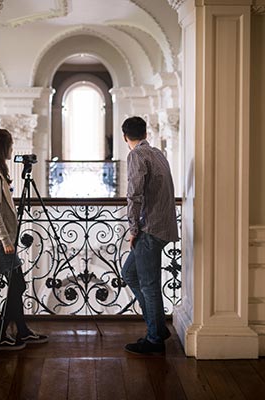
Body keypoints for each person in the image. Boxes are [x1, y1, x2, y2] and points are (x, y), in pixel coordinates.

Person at [0, 128, 48, 351]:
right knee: (18, 284)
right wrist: (5, 240)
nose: (12, 149)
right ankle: (1, 334)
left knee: (17, 285)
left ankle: (22, 331)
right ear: (3, 149)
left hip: (2, 242)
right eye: (10, 145)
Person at [120, 116, 179, 355]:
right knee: (129, 274)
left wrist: (133, 230)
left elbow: (134, 195)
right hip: (164, 226)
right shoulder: (157, 153)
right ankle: (157, 327)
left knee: (149, 284)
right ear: (145, 133)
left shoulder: (136, 156)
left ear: (125, 137)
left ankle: (155, 340)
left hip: (150, 229)